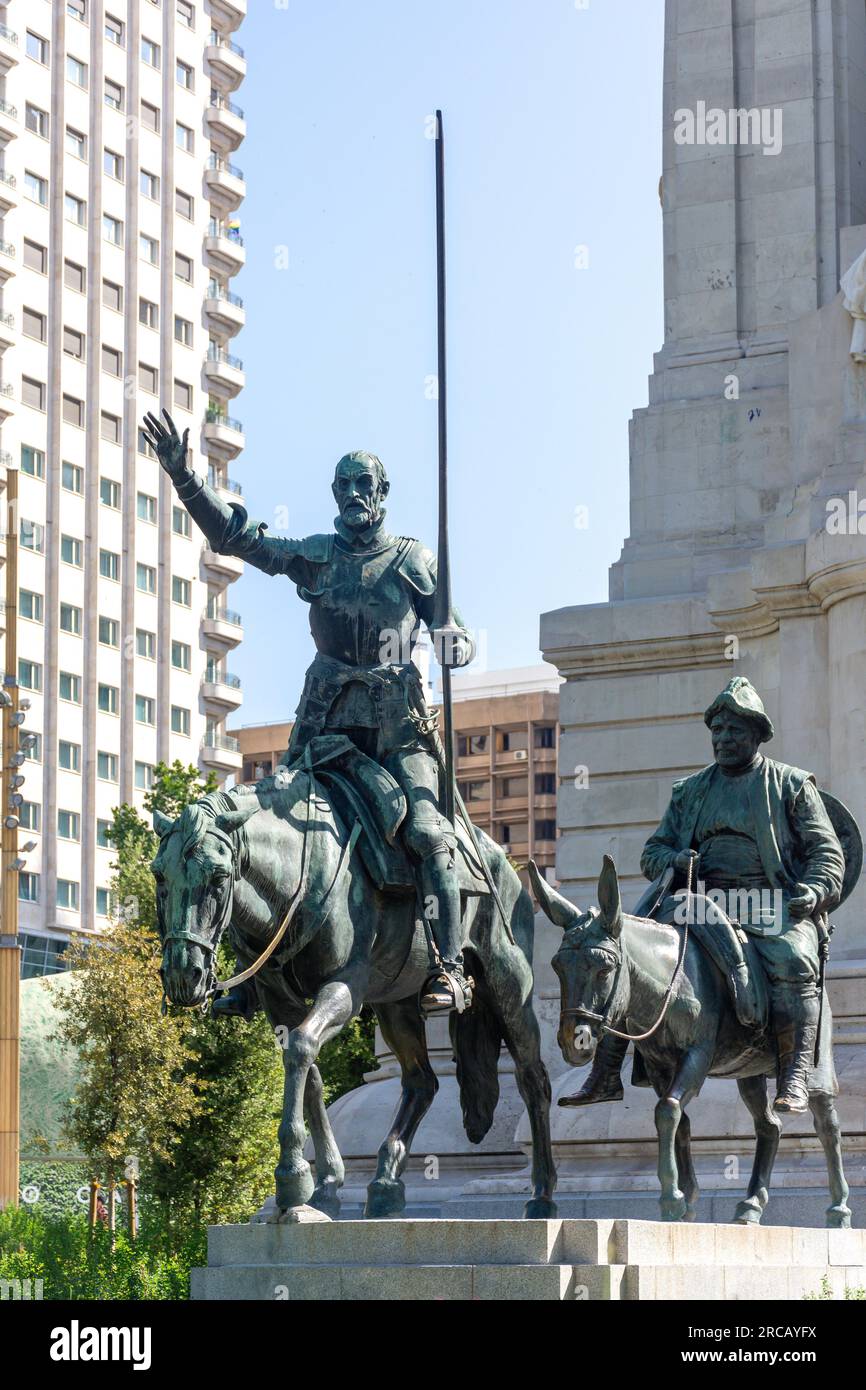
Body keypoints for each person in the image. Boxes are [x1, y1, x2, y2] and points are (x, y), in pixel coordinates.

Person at [142, 410, 475, 1016]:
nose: (353, 495)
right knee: (263, 833)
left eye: (363, 485)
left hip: (397, 736)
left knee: (428, 834)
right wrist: (185, 478)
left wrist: (456, 642)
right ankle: (255, 974)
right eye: (343, 485)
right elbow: (239, 539)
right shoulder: (318, 556)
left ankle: (451, 967)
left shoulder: (410, 560)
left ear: (382, 494)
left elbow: (451, 626)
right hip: (322, 736)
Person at [565, 677, 845, 1114]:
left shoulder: (791, 784)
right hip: (697, 904)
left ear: (756, 733)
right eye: (717, 730)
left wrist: (813, 891)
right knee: (621, 949)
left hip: (770, 905)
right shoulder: (690, 790)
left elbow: (827, 851)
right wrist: (674, 860)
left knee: (795, 961)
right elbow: (653, 851)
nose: (723, 739)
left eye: (733, 730)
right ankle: (605, 1070)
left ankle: (794, 1075)